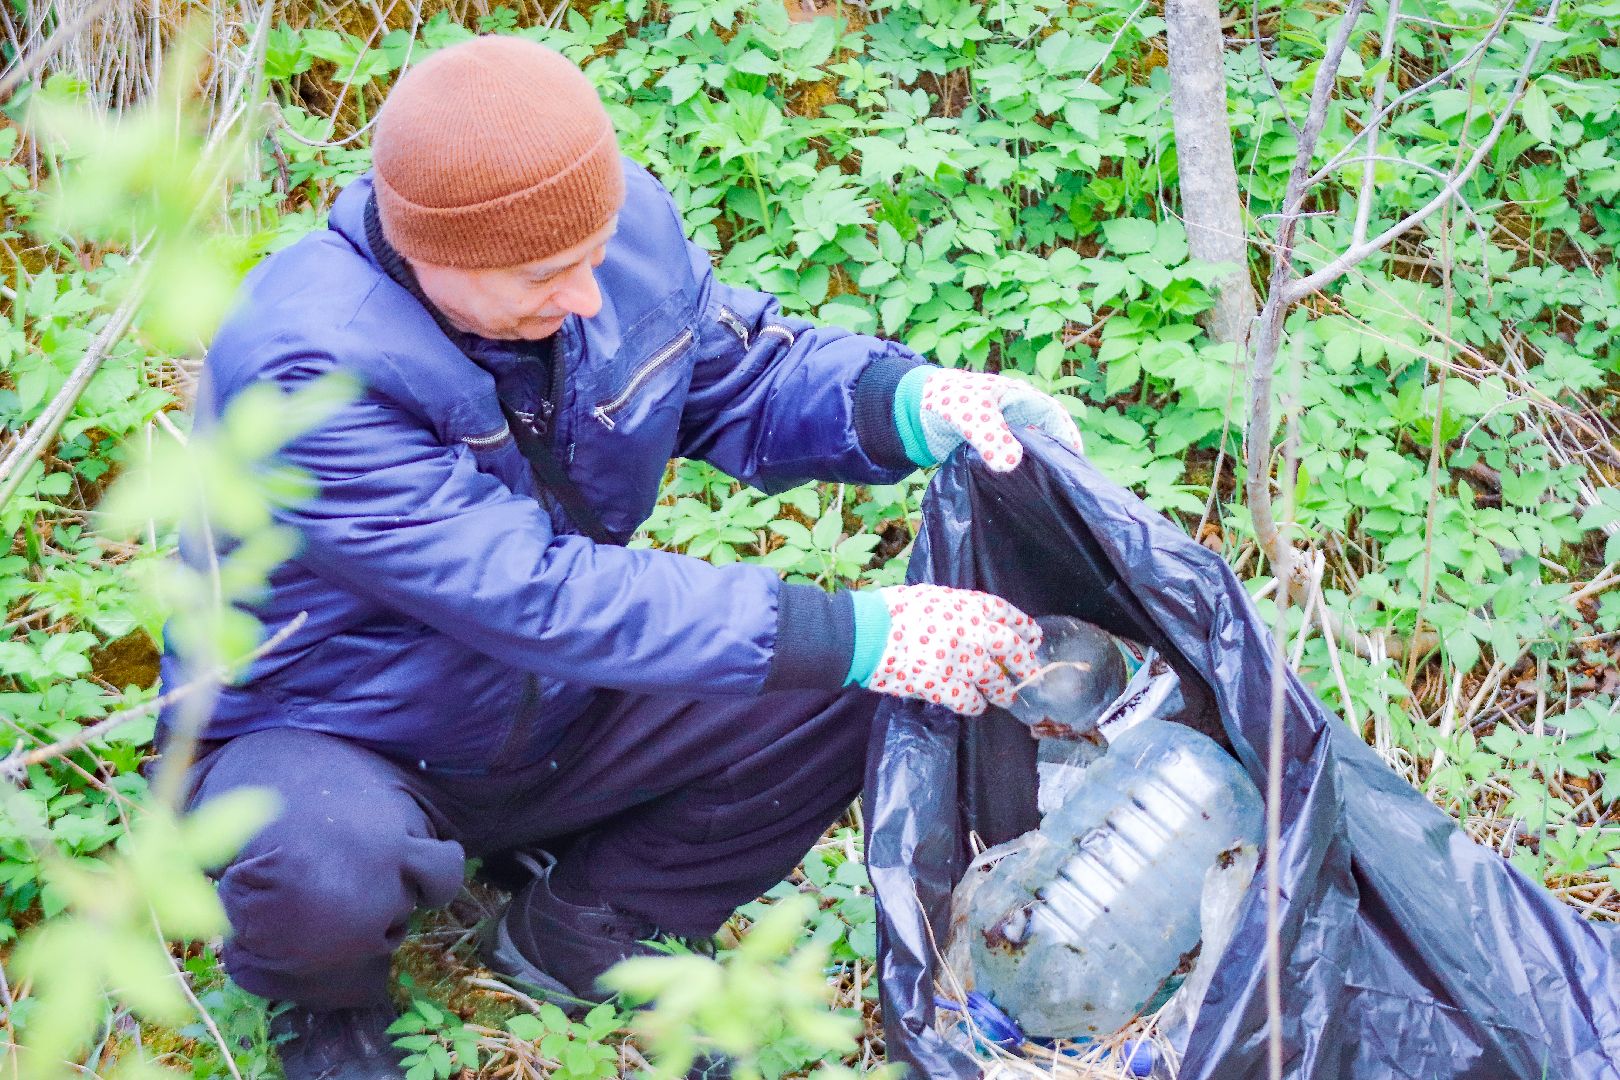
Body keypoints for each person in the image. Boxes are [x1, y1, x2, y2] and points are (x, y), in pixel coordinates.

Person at [163, 34, 1083, 1080]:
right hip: (346, 727)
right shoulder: (309, 367)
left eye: (595, 256)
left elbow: (739, 377)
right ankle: (323, 1008)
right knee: (317, 863)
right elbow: (527, 592)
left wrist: (911, 402)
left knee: (855, 684)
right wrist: (854, 628)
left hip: (556, 700)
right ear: (431, 256)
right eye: (545, 275)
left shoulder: (613, 238)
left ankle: (589, 924)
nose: (588, 297)